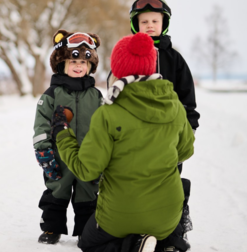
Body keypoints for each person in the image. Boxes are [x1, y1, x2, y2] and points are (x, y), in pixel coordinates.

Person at [52, 32, 195, 252]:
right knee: (164, 213)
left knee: (87, 242)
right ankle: (164, 243)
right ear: (151, 67)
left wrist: (62, 134)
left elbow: (87, 170)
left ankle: (135, 245)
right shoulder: (174, 104)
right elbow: (185, 150)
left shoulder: (108, 114)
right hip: (167, 217)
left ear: (117, 70)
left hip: (119, 216)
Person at [125, 1, 201, 250]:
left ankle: (173, 232)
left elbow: (187, 98)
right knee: (138, 180)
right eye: (144, 21)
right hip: (137, 136)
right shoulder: (129, 55)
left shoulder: (174, 58)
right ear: (135, 24)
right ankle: (140, 230)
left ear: (163, 24)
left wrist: (188, 128)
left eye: (154, 21)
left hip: (169, 136)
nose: (149, 26)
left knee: (169, 184)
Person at [32, 29, 103, 244]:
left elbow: (104, 125)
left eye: (83, 62)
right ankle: (52, 229)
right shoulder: (52, 94)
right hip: (59, 156)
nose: (78, 66)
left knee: (88, 194)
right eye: (73, 62)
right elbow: (41, 124)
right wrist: (44, 150)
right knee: (56, 191)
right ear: (62, 64)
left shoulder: (96, 95)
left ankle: (86, 231)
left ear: (90, 66)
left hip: (88, 156)